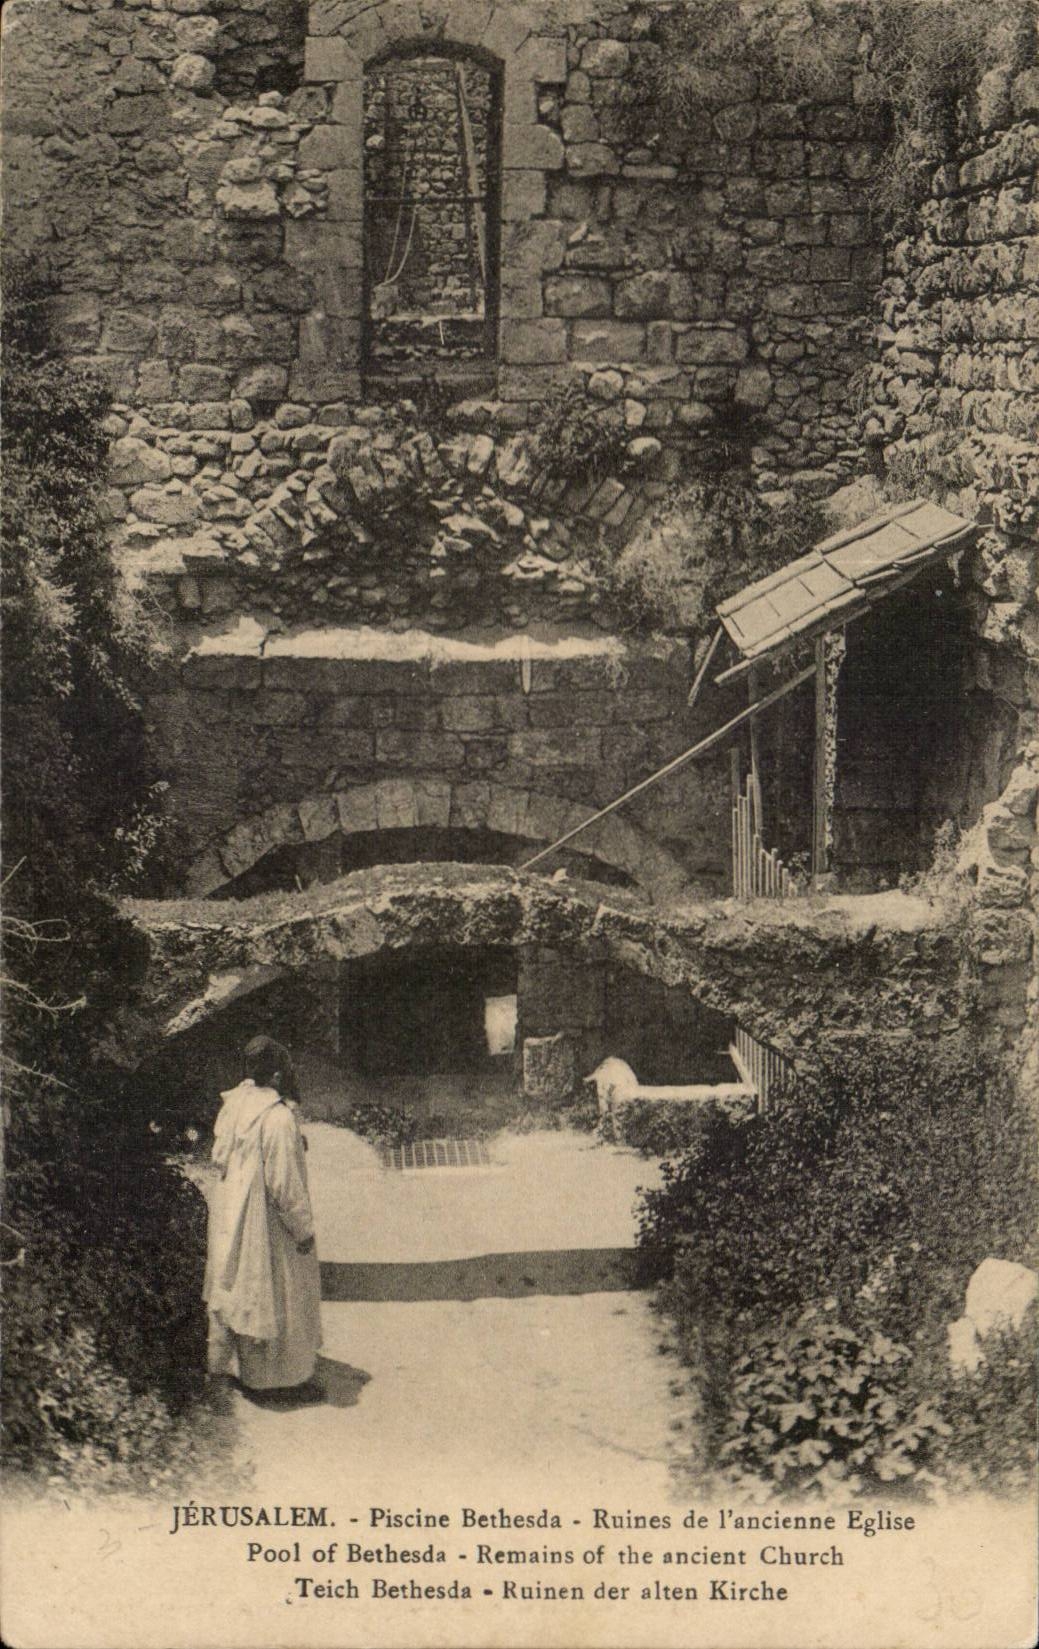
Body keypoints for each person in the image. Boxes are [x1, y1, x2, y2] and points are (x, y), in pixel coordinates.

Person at [203, 1035, 323, 1399]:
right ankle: (279, 1383)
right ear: (275, 1075)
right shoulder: (277, 1119)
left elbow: (222, 1158)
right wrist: (302, 1230)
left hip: (231, 1216)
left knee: (240, 1289)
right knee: (278, 1291)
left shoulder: (235, 1105)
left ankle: (240, 1372)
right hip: (265, 1223)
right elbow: (284, 1184)